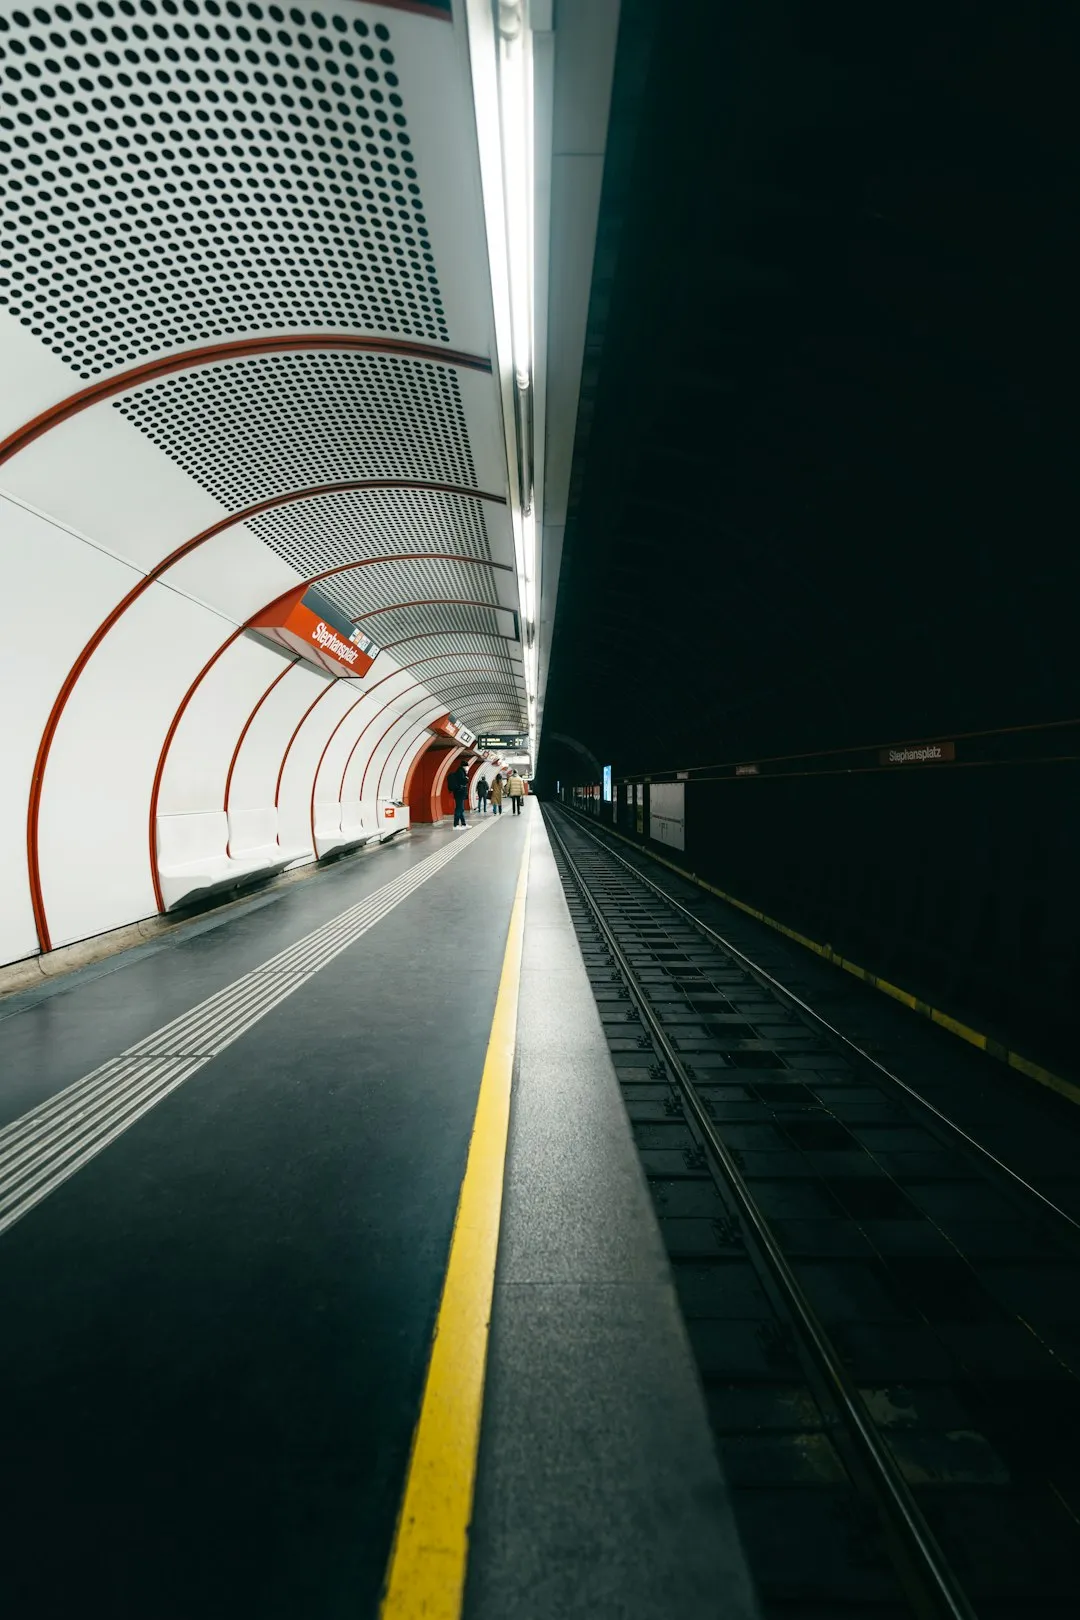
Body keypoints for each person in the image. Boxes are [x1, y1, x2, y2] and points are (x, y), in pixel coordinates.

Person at [447, 762, 468, 828]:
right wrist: (466, 779)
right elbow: (462, 781)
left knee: (460, 809)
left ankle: (463, 824)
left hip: (459, 793)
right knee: (459, 809)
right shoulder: (460, 772)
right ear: (464, 766)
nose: (467, 767)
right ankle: (455, 825)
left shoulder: (460, 771)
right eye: (467, 766)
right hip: (459, 793)